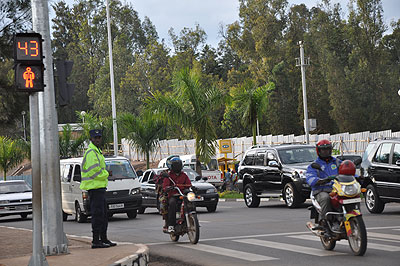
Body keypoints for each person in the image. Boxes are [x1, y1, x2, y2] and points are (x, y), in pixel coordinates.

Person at [80, 129, 116, 249]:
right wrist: (106, 174)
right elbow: (94, 172)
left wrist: (105, 174)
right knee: (98, 215)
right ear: (91, 139)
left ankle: (103, 239)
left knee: (104, 214)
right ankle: (96, 241)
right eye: (95, 138)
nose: (97, 139)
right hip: (94, 188)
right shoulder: (91, 153)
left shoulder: (97, 152)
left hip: (100, 188)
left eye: (99, 137)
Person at [305, 139, 340, 236]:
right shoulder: (314, 165)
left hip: (337, 189)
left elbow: (346, 171)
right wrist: (321, 180)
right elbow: (310, 179)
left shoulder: (337, 162)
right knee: (326, 198)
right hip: (321, 190)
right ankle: (326, 225)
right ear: (318, 151)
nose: (326, 152)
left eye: (328, 149)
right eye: (323, 150)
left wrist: (358, 177)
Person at [162, 156, 192, 233]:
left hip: (183, 194)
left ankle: (191, 219)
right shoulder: (169, 176)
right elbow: (165, 187)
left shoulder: (184, 175)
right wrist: (169, 188)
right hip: (173, 195)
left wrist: (192, 188)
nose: (177, 167)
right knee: (172, 203)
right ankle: (171, 225)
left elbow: (189, 184)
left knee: (191, 201)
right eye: (176, 165)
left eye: (179, 165)